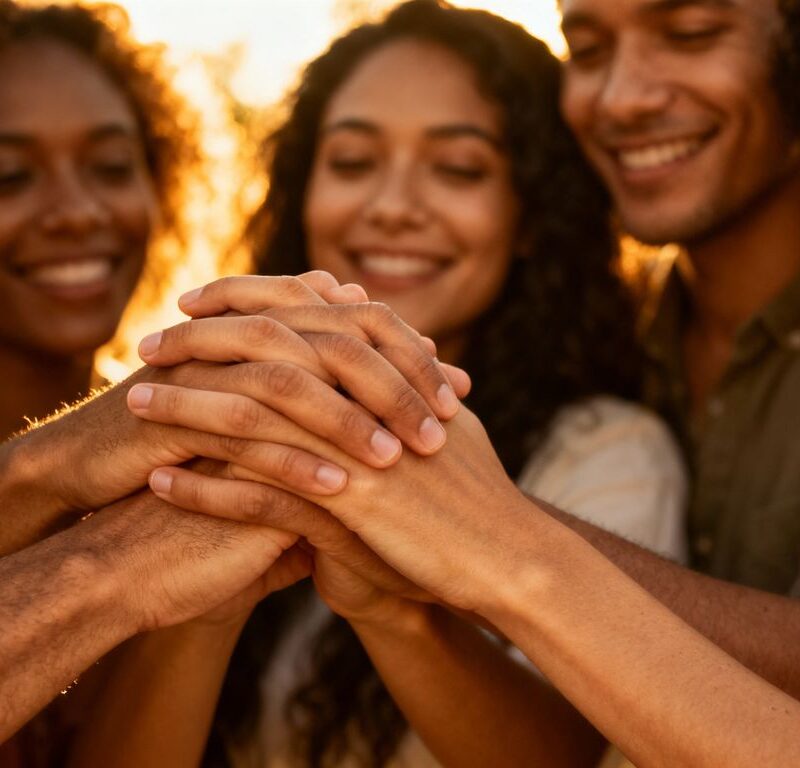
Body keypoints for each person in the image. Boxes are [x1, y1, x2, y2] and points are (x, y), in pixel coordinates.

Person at [70, 3, 685, 766]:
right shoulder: (225, 434)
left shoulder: (608, 455)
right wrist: (204, 597)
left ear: (532, 217)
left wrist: (393, 606)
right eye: (354, 162)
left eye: (459, 170)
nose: (392, 207)